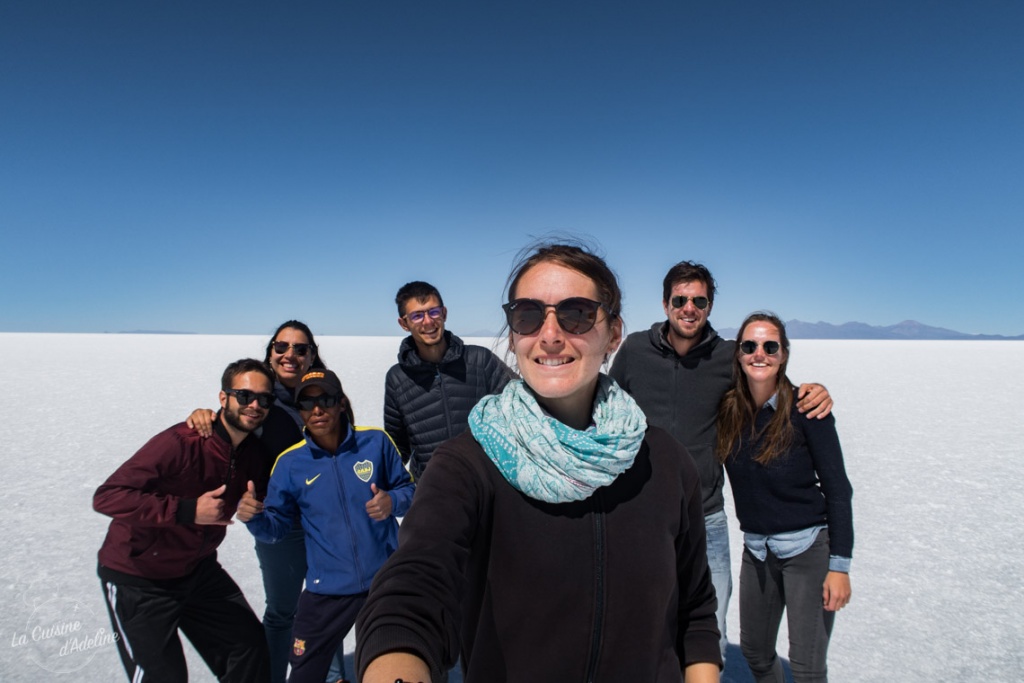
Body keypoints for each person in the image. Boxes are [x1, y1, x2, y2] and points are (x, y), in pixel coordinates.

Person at [357, 242, 722, 683]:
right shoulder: (467, 466)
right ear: (514, 335)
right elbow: (415, 580)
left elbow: (696, 608)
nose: (550, 335)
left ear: (614, 333)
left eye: (578, 314)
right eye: (528, 315)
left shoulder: (663, 462)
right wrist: (395, 662)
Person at [609, 260, 833, 657]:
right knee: (642, 623)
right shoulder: (635, 351)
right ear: (665, 304)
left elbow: (767, 381)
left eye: (699, 300)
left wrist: (809, 392)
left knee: (709, 629)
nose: (689, 308)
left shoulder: (727, 357)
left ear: (710, 306)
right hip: (640, 515)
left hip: (705, 517)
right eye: (680, 299)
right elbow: (605, 405)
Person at [187, 321, 348, 683]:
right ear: (271, 350)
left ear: (311, 354)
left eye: (300, 348)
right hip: (279, 524)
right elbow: (229, 423)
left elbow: (345, 446)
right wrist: (204, 417)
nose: (290, 355)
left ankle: (333, 676)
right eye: (282, 346)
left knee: (327, 606)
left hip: (326, 521)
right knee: (283, 611)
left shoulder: (323, 389)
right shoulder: (260, 398)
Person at [95, 358, 273, 682]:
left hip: (197, 570)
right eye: (245, 396)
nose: (255, 405)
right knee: (163, 677)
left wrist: (254, 505)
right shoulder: (182, 442)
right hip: (139, 578)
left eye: (264, 398)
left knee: (248, 648)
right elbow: (108, 496)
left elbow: (259, 494)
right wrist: (187, 511)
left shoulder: (254, 454)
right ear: (224, 398)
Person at [237, 368, 415, 683]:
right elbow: (276, 528)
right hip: (327, 589)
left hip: (386, 581)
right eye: (307, 404)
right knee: (305, 672)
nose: (317, 410)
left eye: (327, 400)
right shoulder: (291, 464)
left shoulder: (375, 443)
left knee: (397, 666)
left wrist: (393, 502)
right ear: (300, 411)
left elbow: (410, 491)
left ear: (341, 403)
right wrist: (256, 519)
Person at [716, 313, 853, 682]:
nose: (759, 354)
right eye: (749, 346)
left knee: (807, 668)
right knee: (756, 654)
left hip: (808, 551)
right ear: (739, 355)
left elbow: (838, 489)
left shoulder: (808, 410)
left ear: (784, 354)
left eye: (770, 346)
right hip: (757, 552)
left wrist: (839, 568)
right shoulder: (729, 412)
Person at [384, 280, 513, 478]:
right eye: (417, 316)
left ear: (444, 314)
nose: (428, 322)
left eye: (433, 312)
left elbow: (520, 409)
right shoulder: (397, 378)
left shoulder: (480, 360)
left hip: (487, 481)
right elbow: (397, 446)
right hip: (433, 489)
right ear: (404, 324)